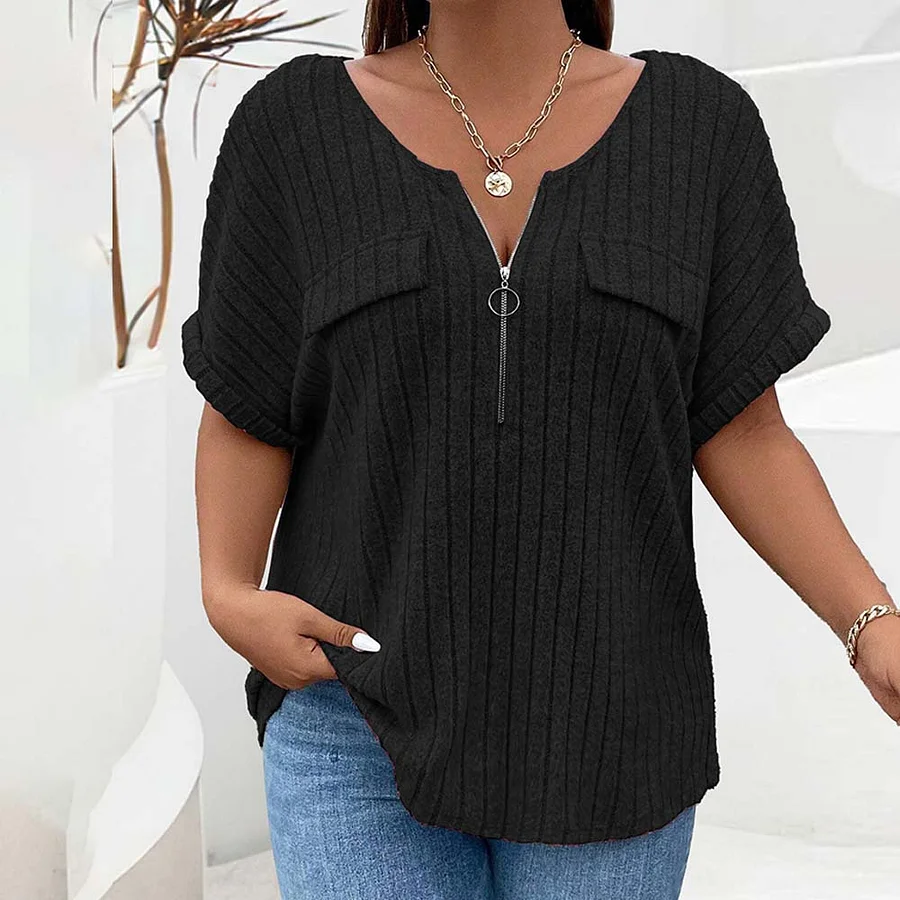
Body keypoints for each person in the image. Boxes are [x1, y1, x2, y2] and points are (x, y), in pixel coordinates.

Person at [181, 2, 900, 898]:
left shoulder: (700, 129)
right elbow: (247, 403)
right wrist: (226, 593)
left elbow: (745, 428)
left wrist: (870, 623)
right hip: (353, 720)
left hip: (616, 735)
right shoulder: (293, 129)